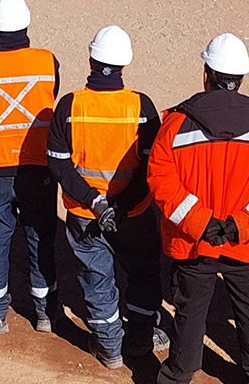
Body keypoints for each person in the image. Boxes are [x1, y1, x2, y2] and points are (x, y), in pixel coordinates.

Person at [147, 34, 249, 384]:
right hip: (248, 245)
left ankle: (177, 383)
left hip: (195, 243)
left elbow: (162, 183)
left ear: (206, 74)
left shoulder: (176, 125)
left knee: (190, 312)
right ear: (241, 78)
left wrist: (204, 224)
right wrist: (239, 227)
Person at [49, 25, 166, 366]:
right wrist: (121, 206)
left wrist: (97, 203)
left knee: (96, 278)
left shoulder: (70, 106)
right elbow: (152, 167)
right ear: (124, 64)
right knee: (143, 272)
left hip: (86, 214)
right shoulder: (141, 106)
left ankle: (109, 346)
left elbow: (59, 165)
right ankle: (140, 340)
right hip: (134, 214)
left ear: (91, 60)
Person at [0, 0, 62, 335]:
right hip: (37, 164)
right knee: (40, 236)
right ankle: (45, 313)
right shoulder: (47, 61)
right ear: (26, 23)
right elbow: (50, 97)